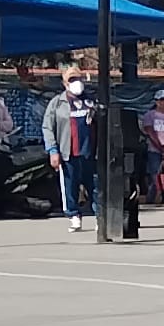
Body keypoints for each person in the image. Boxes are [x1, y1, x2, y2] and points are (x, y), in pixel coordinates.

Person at [42, 67, 100, 233]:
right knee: (70, 185)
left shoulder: (91, 101)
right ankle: (74, 216)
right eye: (72, 80)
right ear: (65, 83)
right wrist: (53, 150)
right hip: (68, 152)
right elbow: (47, 127)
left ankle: (100, 216)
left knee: (95, 186)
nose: (76, 83)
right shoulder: (57, 103)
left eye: (78, 79)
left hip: (90, 152)